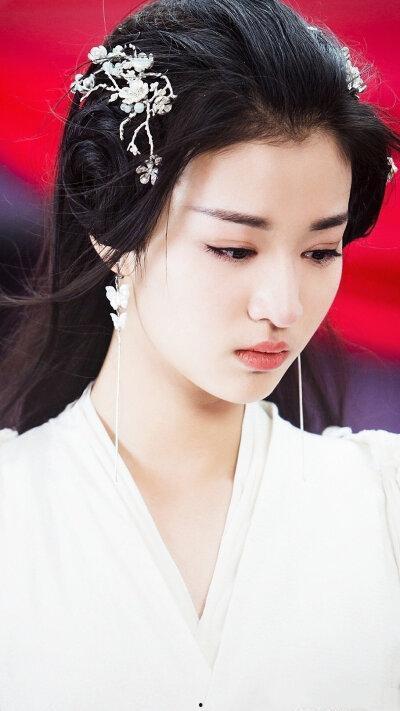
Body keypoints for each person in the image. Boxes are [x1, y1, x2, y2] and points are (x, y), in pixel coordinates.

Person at [0, 0, 399, 709]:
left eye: (320, 251)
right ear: (113, 226)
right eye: (234, 249)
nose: (283, 305)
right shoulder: (15, 509)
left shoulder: (383, 501)